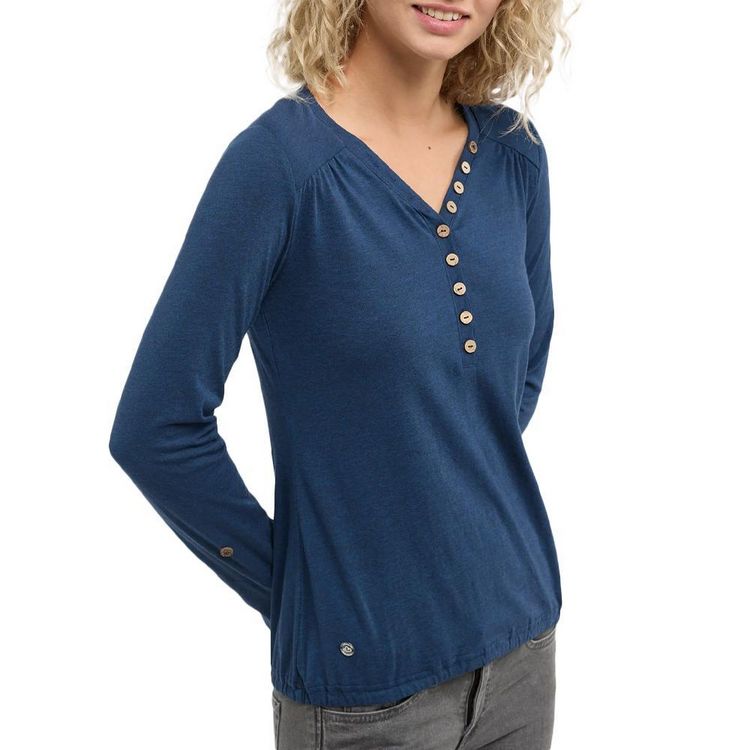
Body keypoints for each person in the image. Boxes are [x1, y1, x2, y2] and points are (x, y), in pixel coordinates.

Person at [109, 0, 574, 747]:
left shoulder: (514, 154)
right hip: (365, 694)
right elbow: (155, 427)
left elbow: (515, 376)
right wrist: (300, 589)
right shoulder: (279, 166)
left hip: (522, 650)